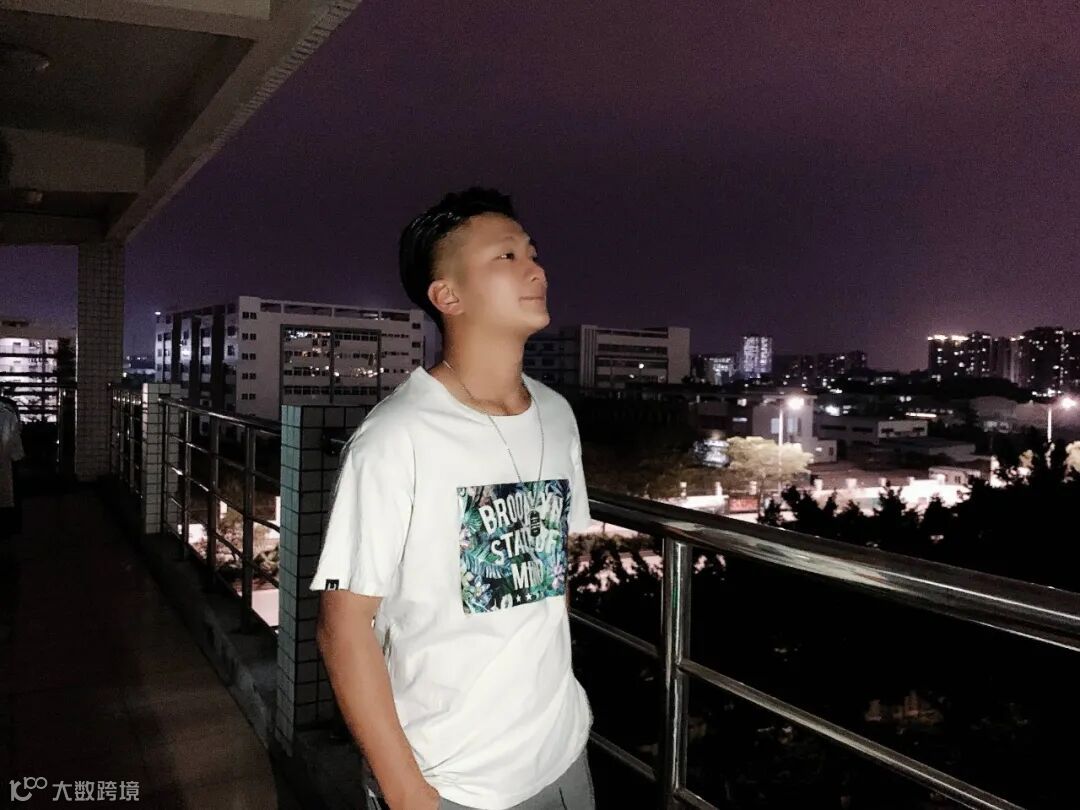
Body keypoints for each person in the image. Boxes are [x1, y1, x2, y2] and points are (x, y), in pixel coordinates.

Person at [311, 188, 595, 810]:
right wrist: (408, 792)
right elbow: (343, 627)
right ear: (448, 296)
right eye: (506, 256)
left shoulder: (556, 415)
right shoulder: (396, 437)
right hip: (452, 780)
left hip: (563, 753)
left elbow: (549, 578)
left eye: (532, 253)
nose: (536, 270)